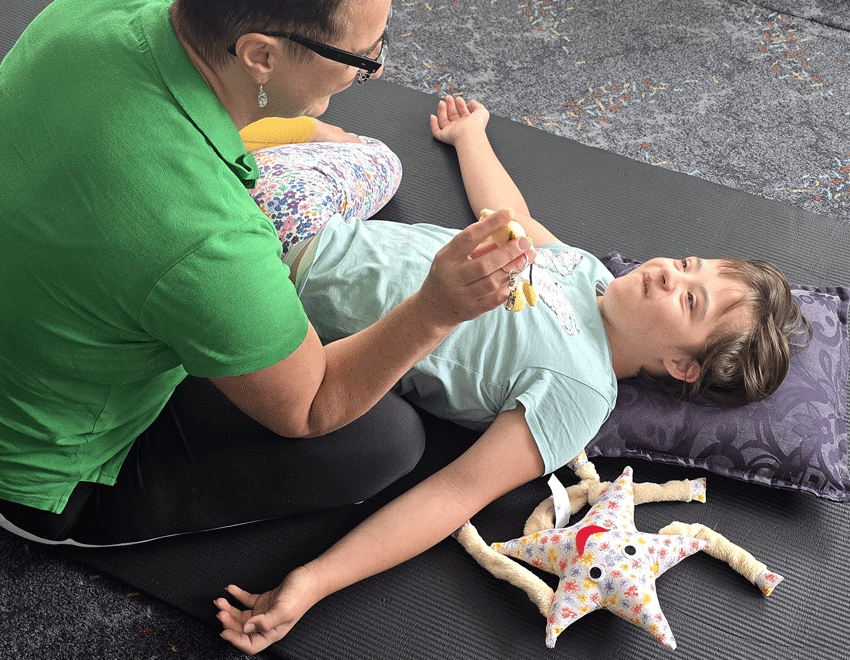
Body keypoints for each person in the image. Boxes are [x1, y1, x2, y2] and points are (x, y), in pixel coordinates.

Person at [214, 94, 808, 653]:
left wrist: (314, 581)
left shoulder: (580, 393)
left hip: (284, 283)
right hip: (323, 224)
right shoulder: (587, 273)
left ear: (681, 365)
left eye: (690, 301)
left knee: (217, 182)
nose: (671, 274)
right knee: (377, 159)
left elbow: (453, 495)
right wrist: (470, 137)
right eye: (687, 264)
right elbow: (510, 218)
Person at [0, 0, 536, 546]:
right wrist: (436, 311)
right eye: (364, 57)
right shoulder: (210, 237)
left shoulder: (85, 12)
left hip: (44, 295)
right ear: (260, 55)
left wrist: (302, 125)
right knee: (384, 440)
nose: (376, 71)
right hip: (37, 472)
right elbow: (311, 406)